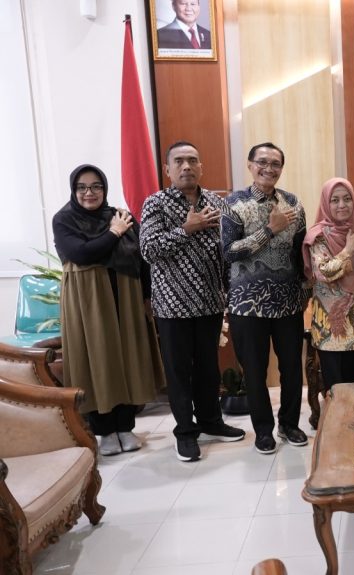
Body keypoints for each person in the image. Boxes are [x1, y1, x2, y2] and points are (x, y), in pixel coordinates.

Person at [140, 141, 244, 462]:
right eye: (179, 161)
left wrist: (230, 294)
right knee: (179, 372)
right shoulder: (156, 203)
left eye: (192, 161)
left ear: (201, 167)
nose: (186, 166)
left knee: (208, 369)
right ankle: (186, 432)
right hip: (173, 307)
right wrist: (187, 229)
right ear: (167, 169)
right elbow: (149, 250)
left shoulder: (216, 202)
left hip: (210, 302)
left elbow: (226, 251)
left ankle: (211, 421)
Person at [53, 164, 163, 456]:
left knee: (128, 357)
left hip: (125, 296)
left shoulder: (121, 215)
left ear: (104, 188)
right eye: (82, 187)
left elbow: (143, 259)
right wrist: (114, 233)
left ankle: (125, 427)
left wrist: (148, 296)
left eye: (96, 186)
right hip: (88, 301)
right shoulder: (64, 219)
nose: (89, 193)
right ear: (73, 190)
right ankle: (104, 431)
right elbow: (80, 253)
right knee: (97, 358)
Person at [222, 142, 308, 455]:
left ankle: (289, 424)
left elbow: (301, 252)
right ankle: (263, 431)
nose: (268, 169)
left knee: (292, 369)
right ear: (250, 165)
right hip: (247, 304)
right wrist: (269, 231)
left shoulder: (293, 203)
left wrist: (305, 291)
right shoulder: (233, 203)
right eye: (262, 162)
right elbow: (228, 252)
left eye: (275, 164)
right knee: (255, 372)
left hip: (288, 302)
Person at [303, 178, 354, 390]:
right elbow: (324, 272)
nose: (342, 205)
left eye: (347, 199)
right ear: (326, 203)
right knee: (336, 390)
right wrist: (348, 250)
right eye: (334, 200)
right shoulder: (318, 237)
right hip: (332, 328)